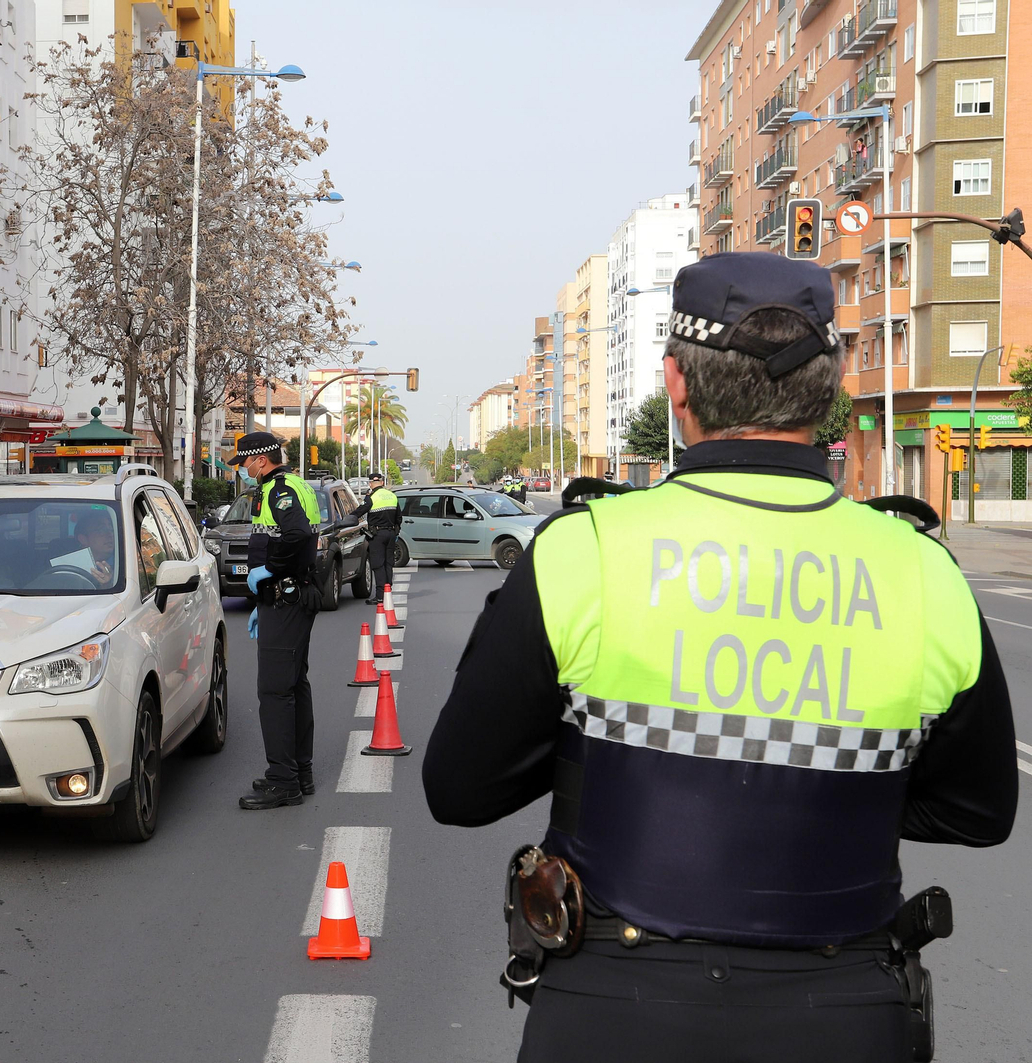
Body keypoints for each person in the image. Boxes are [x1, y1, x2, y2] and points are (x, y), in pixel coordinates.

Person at [422, 252, 1017, 1062]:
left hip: (613, 1012)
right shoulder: (923, 570)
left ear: (676, 380)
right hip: (845, 1012)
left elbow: (459, 787)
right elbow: (981, 811)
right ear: (834, 381)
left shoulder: (586, 549)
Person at [232, 431, 322, 810]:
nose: (244, 471)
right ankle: (300, 772)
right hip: (290, 595)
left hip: (286, 598)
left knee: (274, 692)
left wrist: (267, 572)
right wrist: (262, 597)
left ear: (262, 460)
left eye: (245, 464)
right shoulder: (295, 484)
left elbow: (296, 534)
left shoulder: (278, 489)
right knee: (293, 685)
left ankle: (283, 780)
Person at [350, 471, 401, 603]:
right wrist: (395, 532)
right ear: (383, 483)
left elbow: (359, 512)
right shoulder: (392, 496)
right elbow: (399, 518)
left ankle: (380, 596)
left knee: (378, 565)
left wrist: (348, 519)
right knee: (388, 564)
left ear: (371, 484)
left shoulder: (371, 497)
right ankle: (388, 593)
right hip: (390, 534)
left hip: (377, 535)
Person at [72, 510, 117, 585]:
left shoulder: (123, 564)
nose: (110, 534)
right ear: (83, 539)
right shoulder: (70, 567)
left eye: (111, 529)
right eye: (102, 530)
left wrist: (109, 584)